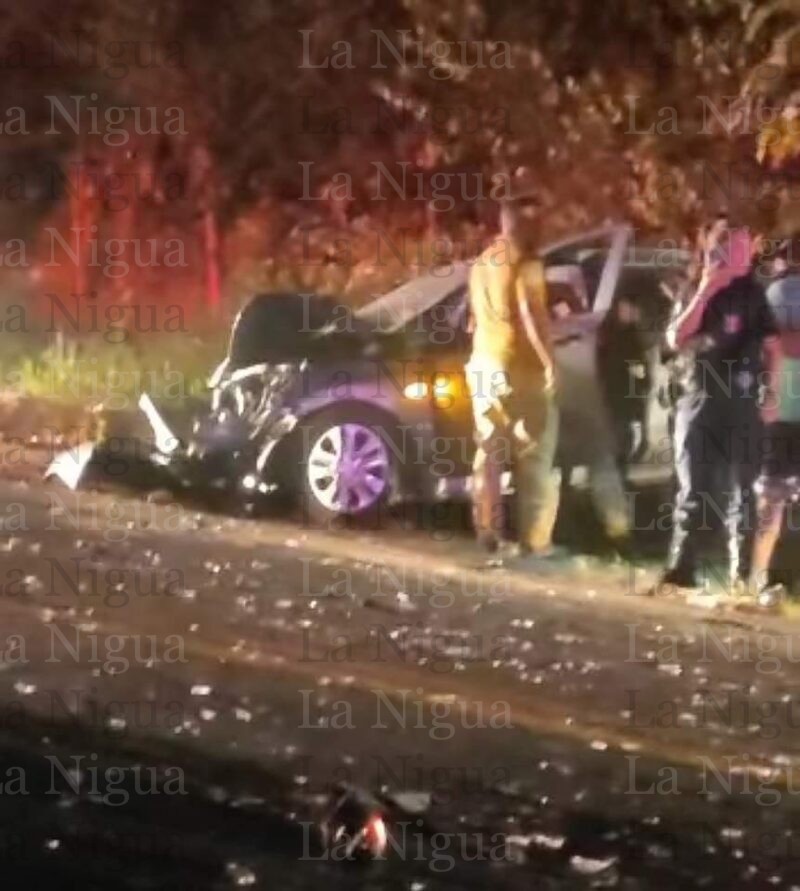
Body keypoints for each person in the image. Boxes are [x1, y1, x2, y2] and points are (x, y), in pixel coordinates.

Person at [650, 224, 778, 596]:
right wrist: (707, 287)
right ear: (715, 251)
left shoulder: (754, 294)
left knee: (745, 489)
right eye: (733, 249)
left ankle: (742, 578)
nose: (742, 256)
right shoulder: (697, 288)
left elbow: (773, 349)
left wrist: (771, 395)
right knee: (695, 486)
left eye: (745, 248)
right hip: (699, 394)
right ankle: (682, 568)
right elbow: (676, 337)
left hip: (741, 398)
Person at [466, 193, 560, 557]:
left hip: (484, 364)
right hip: (519, 369)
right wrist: (550, 362)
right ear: (517, 224)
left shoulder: (483, 262)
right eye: (533, 220)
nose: (538, 227)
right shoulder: (527, 262)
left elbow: (473, 318)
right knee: (535, 455)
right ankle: (535, 542)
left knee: (489, 451)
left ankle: (487, 530)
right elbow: (531, 315)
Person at [747, 236, 800, 605]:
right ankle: (784, 581)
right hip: (783, 409)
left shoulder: (778, 293)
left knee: (771, 500)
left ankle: (757, 578)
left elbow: (772, 346)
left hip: (779, 410)